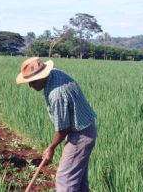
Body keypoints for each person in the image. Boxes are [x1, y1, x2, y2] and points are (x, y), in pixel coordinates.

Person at [16, 57, 97, 192]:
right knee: (79, 179)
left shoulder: (56, 94)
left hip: (81, 135)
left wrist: (51, 147)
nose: (30, 86)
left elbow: (62, 129)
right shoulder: (55, 73)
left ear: (42, 76)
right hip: (84, 129)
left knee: (65, 179)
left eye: (32, 82)